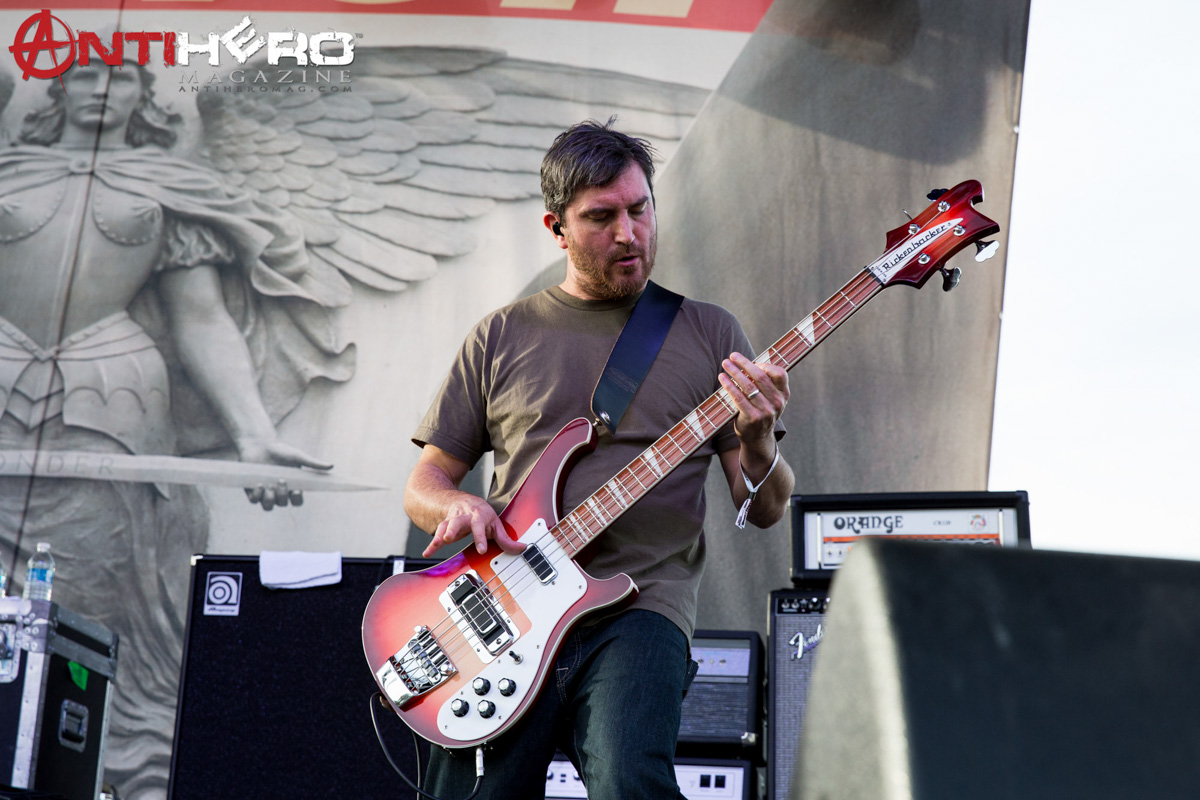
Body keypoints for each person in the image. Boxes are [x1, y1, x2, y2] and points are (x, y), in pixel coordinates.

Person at [404, 118, 795, 799]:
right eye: (601, 217)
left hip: (641, 605)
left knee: (628, 778)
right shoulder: (501, 336)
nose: (628, 233)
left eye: (640, 210)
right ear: (556, 228)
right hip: (510, 607)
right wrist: (458, 503)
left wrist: (759, 439)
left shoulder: (709, 332)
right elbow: (424, 482)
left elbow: (762, 508)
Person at [0, 57, 345, 798]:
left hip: (110, 401)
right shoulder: (8, 171)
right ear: (58, 90)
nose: (102, 91)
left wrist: (252, 435)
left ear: (143, 97)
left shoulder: (169, 188)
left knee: (91, 603)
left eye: (121, 79)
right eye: (84, 77)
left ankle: (113, 769)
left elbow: (201, 320)